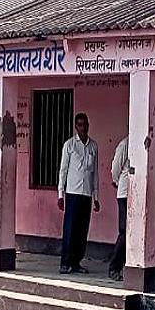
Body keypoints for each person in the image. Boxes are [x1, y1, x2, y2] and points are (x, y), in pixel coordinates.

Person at [57, 112, 100, 274]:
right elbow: (63, 170)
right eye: (80, 124)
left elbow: (95, 173)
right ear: (76, 126)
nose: (83, 127)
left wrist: (96, 197)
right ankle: (65, 262)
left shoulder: (93, 146)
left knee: (82, 231)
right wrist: (60, 195)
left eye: (85, 124)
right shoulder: (69, 145)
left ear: (88, 125)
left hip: (87, 194)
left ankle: (76, 262)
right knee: (70, 229)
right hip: (72, 193)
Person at [108, 135, 130, 281]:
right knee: (124, 231)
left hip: (137, 192)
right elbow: (115, 169)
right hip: (124, 192)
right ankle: (114, 266)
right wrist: (117, 182)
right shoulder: (124, 145)